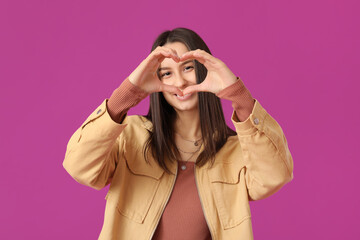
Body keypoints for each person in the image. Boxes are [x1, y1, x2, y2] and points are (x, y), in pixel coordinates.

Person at [63, 27, 294, 240]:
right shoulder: (131, 135)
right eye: (166, 73)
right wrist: (126, 94)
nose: (180, 82)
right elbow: (78, 166)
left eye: (188, 68)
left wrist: (238, 94)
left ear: (204, 70)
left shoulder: (236, 149)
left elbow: (275, 176)